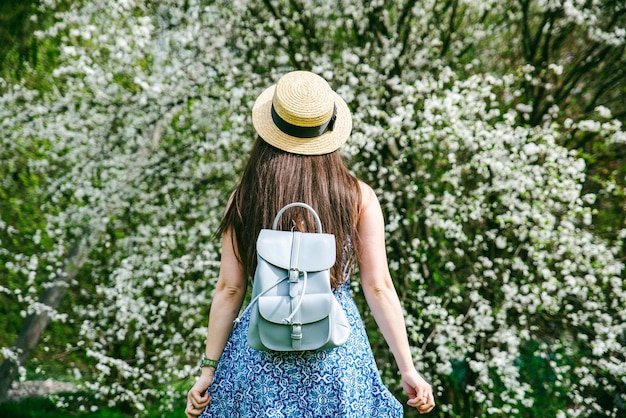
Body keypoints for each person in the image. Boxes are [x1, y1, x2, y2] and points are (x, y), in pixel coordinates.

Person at [185, 71, 435, 417]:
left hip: (259, 355)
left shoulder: (244, 198)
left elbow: (230, 289)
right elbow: (378, 287)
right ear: (330, 132)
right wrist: (407, 368)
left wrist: (208, 369)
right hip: (336, 355)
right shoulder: (356, 196)